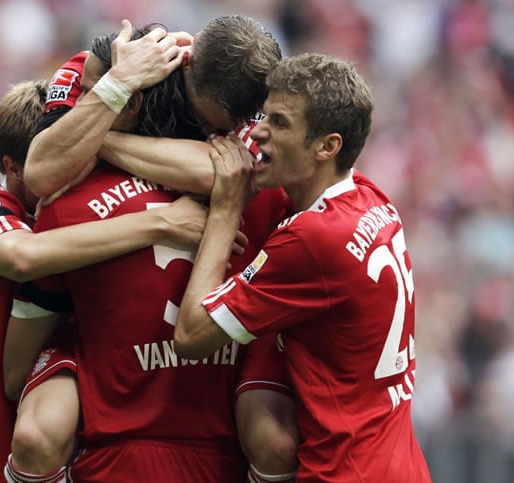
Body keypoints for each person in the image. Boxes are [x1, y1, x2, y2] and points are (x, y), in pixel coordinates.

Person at [12, 16, 299, 483]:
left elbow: (223, 173)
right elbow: (40, 174)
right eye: (204, 120)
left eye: (217, 126)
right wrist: (118, 82)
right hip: (91, 313)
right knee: (27, 401)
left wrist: (95, 139)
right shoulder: (98, 63)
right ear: (186, 63)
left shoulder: (251, 102)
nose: (212, 130)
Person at [173, 52, 432, 482]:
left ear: (328, 146)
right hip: (402, 466)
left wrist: (223, 213)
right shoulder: (372, 199)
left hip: (346, 473)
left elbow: (191, 335)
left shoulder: (314, 239)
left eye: (279, 122)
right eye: (263, 115)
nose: (258, 132)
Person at [0, 74, 208, 482]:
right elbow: (22, 255)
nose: (70, 167)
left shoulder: (92, 203)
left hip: (90, 435)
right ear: (13, 166)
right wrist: (160, 223)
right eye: (54, 154)